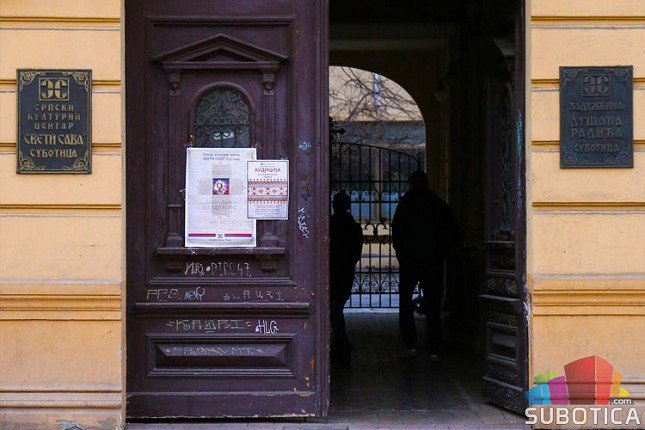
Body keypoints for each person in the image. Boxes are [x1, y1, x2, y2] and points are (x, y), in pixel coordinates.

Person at [392, 171, 459, 360]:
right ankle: (434, 347)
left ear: (411, 183)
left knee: (405, 301)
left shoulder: (406, 203)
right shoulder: (437, 203)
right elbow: (452, 231)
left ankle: (409, 344)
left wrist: (403, 255)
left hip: (410, 261)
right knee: (433, 303)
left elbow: (397, 231)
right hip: (433, 261)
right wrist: (442, 251)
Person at [329, 191, 364, 362]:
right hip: (346, 273)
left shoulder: (328, 225)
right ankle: (341, 344)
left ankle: (341, 343)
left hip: (331, 272)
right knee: (336, 307)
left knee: (334, 308)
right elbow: (356, 253)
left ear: (334, 206)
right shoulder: (354, 227)